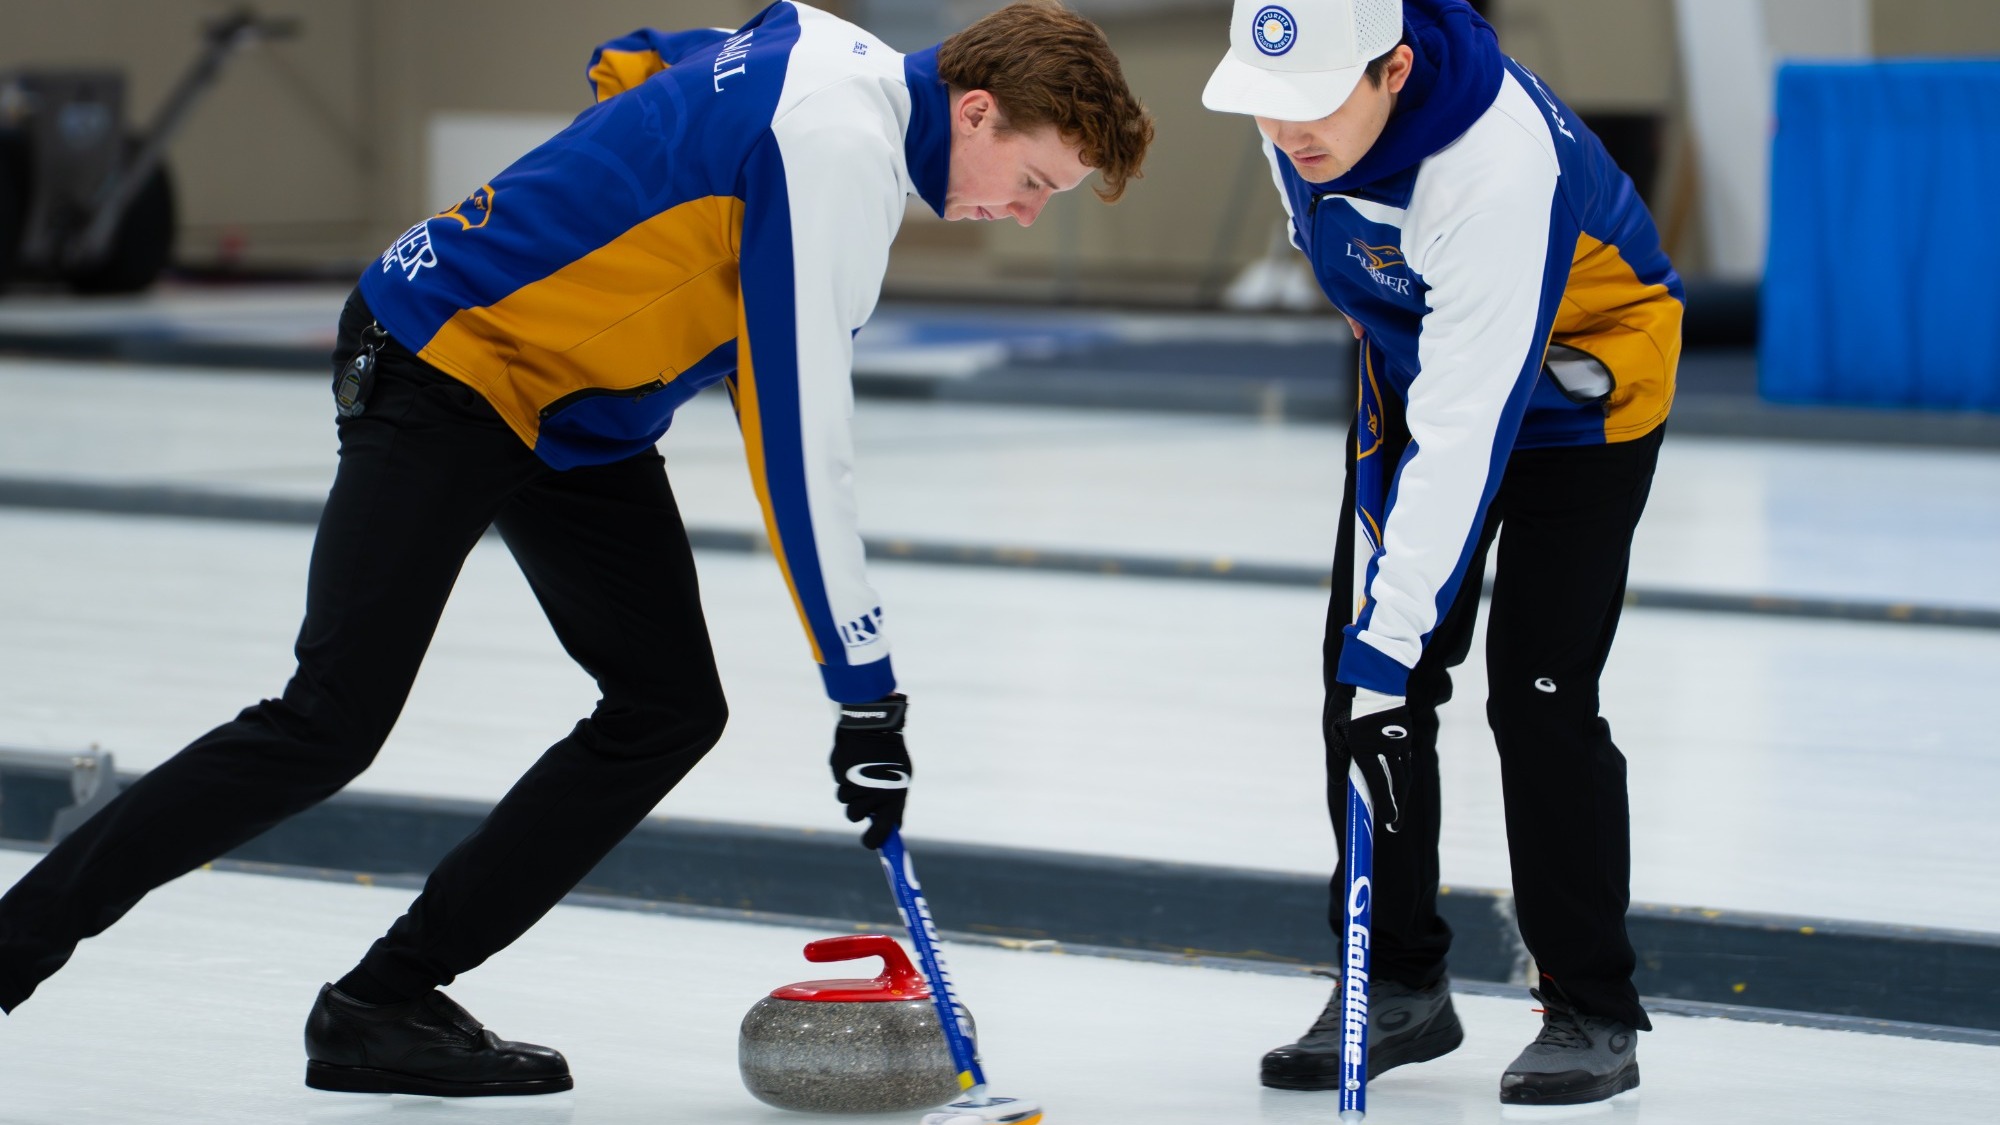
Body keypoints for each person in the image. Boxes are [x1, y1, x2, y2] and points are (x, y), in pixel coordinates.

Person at [0, 0, 1151, 1098]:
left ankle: (382, 1004)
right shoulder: (837, 152)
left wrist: (621, 191)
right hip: (443, 358)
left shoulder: (829, 52)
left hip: (575, 414)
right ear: (977, 108)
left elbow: (639, 56)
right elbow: (799, 441)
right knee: (327, 721)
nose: (1023, 211)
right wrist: (863, 690)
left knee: (665, 710)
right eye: (1035, 181)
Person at [1202, 0, 1678, 1110]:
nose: (1285, 130)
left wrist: (1393, 640)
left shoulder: (1491, 167)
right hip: (1422, 363)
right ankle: (1397, 982)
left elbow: (1471, 431)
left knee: (1539, 699)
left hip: (1581, 397)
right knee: (1360, 683)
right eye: (1266, 106)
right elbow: (1374, 299)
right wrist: (1376, 660)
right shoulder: (1293, 113)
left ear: (1393, 70)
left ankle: (1589, 1006)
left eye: (1312, 104)